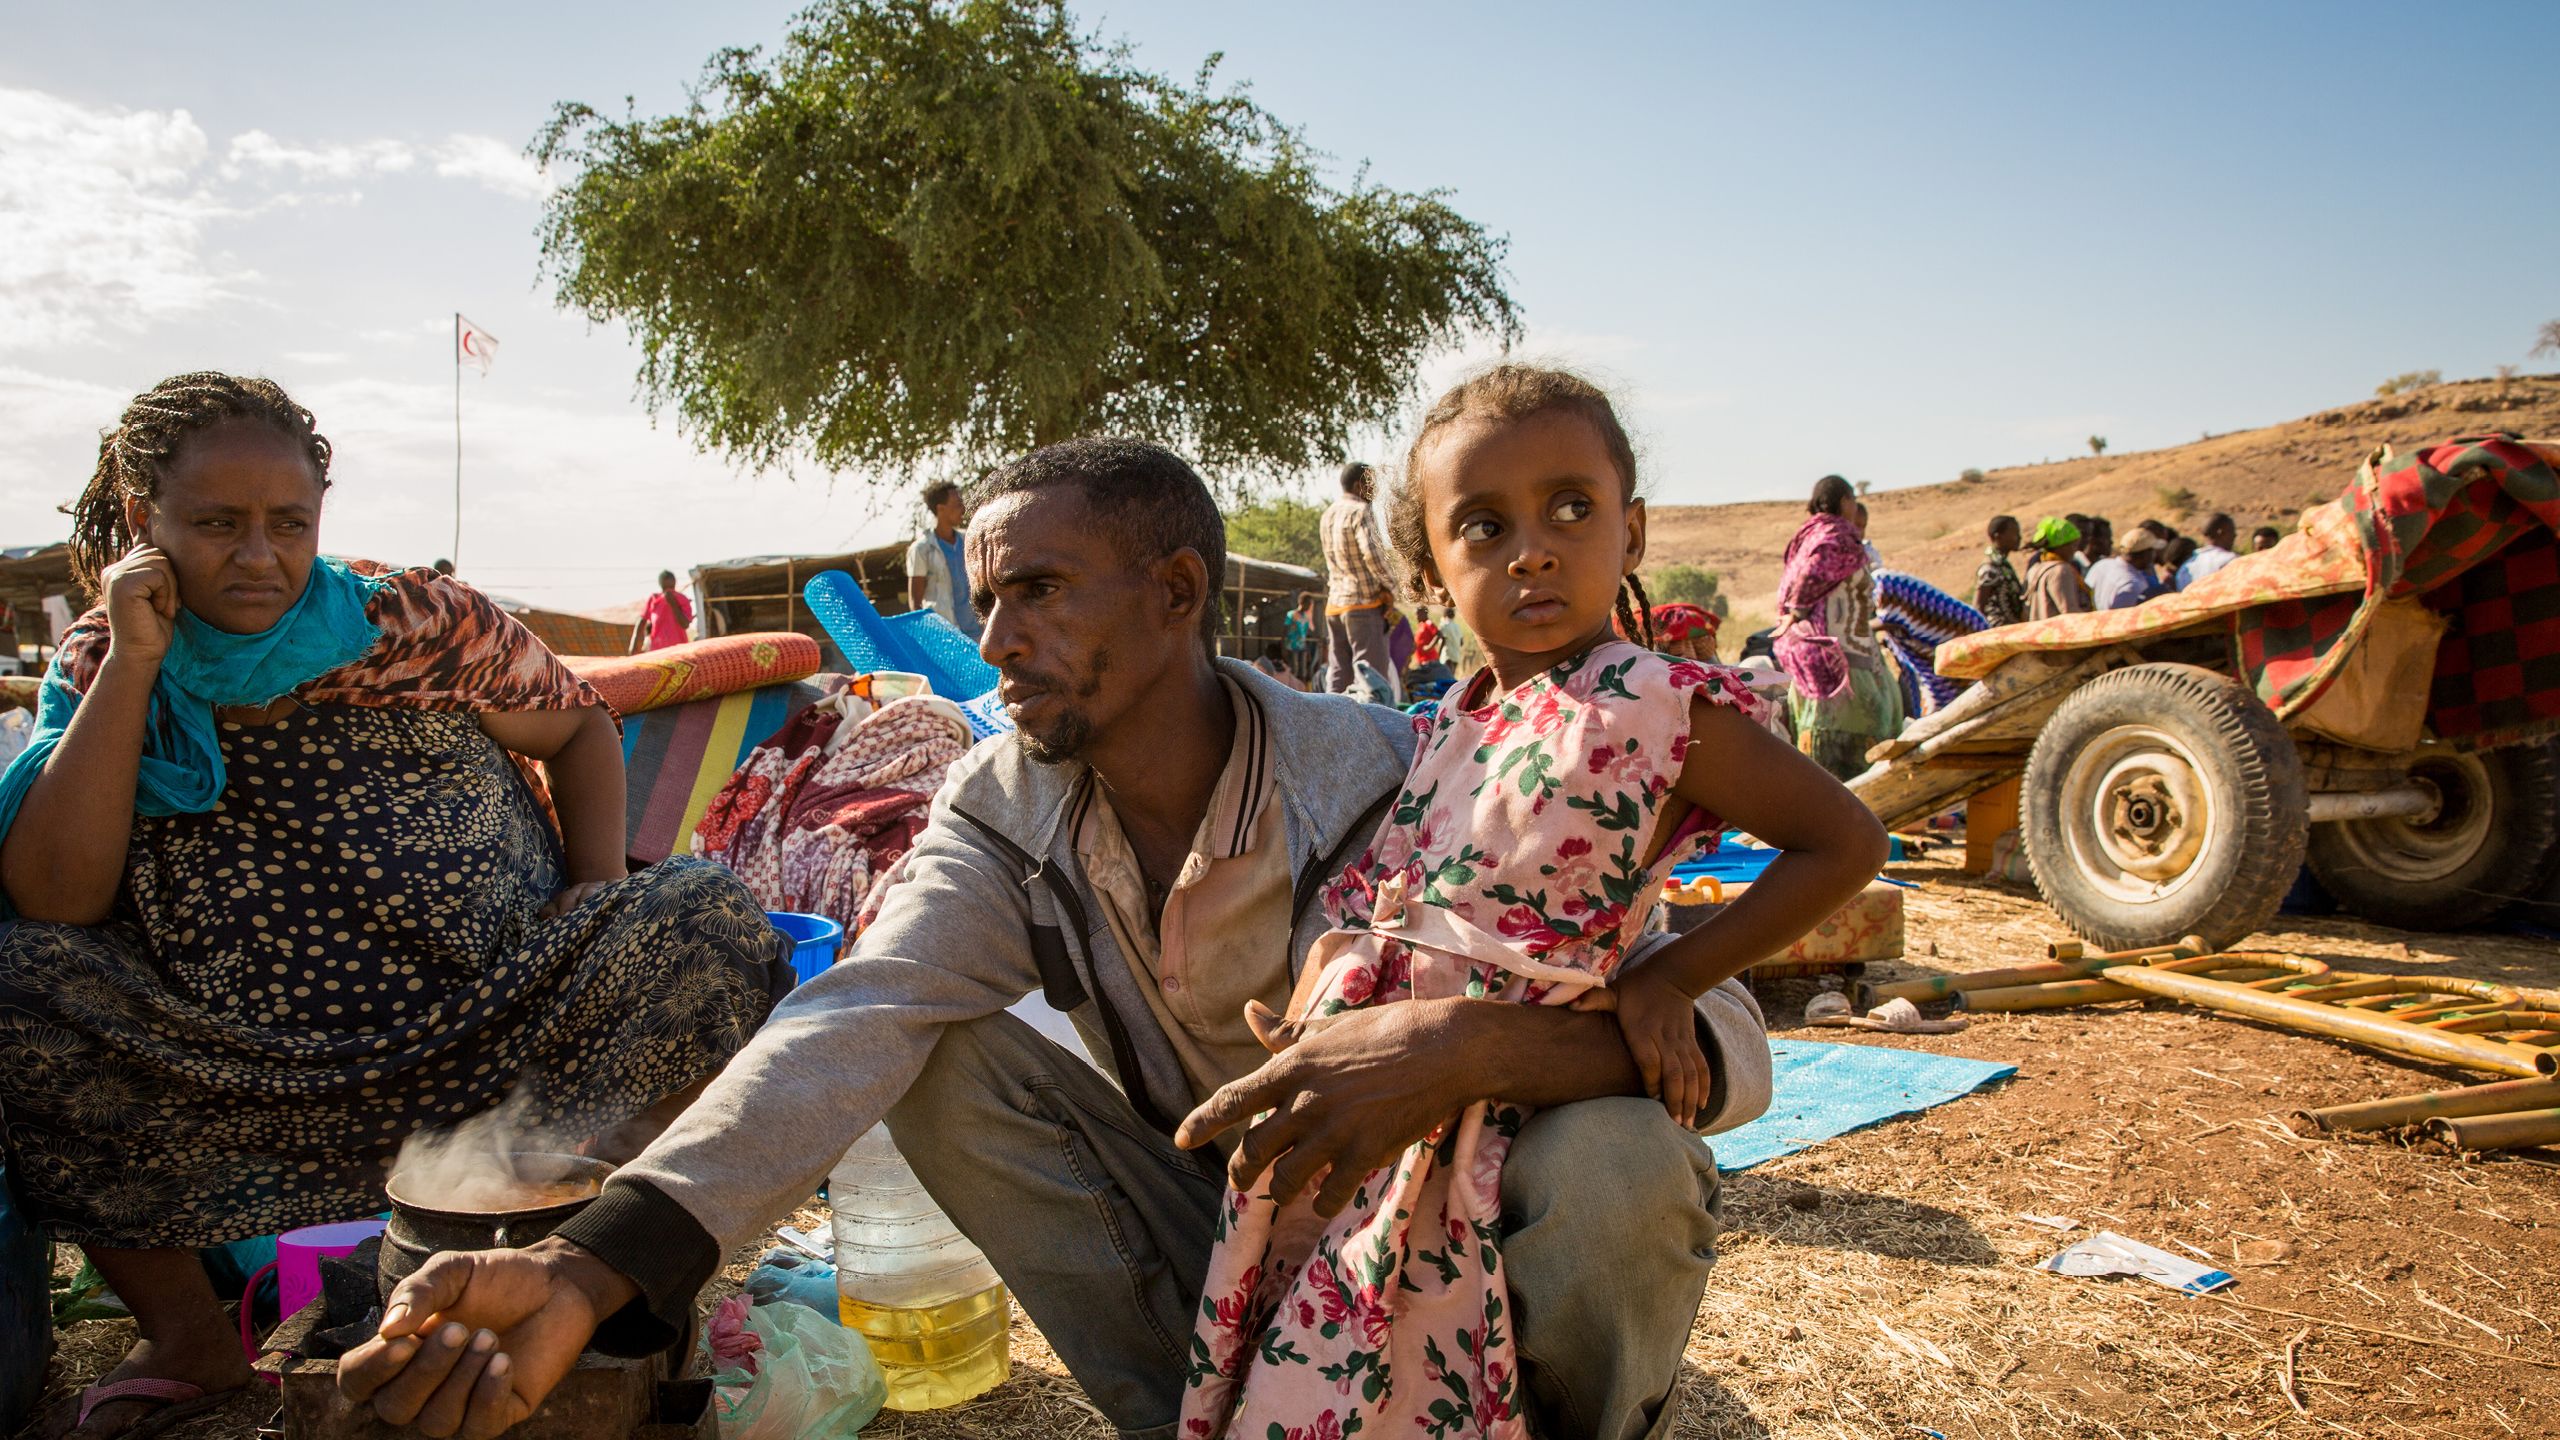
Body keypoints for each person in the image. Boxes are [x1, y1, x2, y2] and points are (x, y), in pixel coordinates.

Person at [338, 434, 1780, 1440]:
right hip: (1235, 1243)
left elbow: (1732, 1044)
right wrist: (589, 1266)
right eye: (988, 596)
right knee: (938, 1051)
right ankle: (1195, 1415)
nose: (993, 638)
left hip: (1440, 1251)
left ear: (1177, 595)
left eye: (1036, 590)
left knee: (1619, 1159)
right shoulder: (1002, 805)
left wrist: (1461, 1047)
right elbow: (856, 1014)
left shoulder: (1400, 771)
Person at [0, 373, 787, 1440]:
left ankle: (590, 1263)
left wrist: (596, 879)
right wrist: (136, 664)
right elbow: (56, 896)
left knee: (702, 913)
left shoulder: (413, 621)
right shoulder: (110, 657)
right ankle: (189, 1337)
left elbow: (577, 724)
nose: (259, 555)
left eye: (289, 524)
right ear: (146, 519)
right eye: (218, 524)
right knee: (25, 983)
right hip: (244, 1070)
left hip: (495, 1026)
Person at [1183, 368, 1882, 1437]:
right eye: (1484, 526)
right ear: (1429, 573)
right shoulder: (1459, 714)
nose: (1533, 551)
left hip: (1503, 1096)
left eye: (1570, 508)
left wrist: (1672, 974)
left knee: (1427, 1330)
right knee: (1358, 1326)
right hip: (1400, 1097)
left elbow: (1845, 841)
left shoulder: (1655, 704)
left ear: (1631, 531)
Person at [1774, 475, 1905, 780]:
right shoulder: (1838, 536)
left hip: (1819, 653)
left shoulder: (1807, 536)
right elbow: (1811, 577)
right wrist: (1798, 609)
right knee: (1857, 739)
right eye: (1853, 501)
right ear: (1845, 501)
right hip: (1840, 657)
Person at [1320, 462, 1401, 702]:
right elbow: (1373, 557)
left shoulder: (1328, 514)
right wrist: (1392, 588)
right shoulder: (1360, 511)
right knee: (1372, 681)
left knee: (1338, 675)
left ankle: (1329, 721)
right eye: (1371, 485)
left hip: (1335, 606)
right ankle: (1372, 726)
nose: (1374, 492)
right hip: (1363, 605)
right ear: (1359, 485)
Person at [904, 479, 978, 638]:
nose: (962, 509)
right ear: (941, 509)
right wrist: (926, 635)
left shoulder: (968, 539)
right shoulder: (922, 549)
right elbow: (915, 602)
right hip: (947, 635)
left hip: (979, 631)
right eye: (957, 505)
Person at [2025, 516, 2094, 619]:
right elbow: (2070, 612)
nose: (2074, 550)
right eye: (2073, 545)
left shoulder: (2035, 569)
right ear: (2062, 546)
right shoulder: (2061, 571)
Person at [2086, 528, 2165, 609]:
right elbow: (2121, 615)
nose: (2154, 556)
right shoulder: (2133, 585)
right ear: (2146, 553)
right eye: (2153, 551)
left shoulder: (2101, 565)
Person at [1974, 515, 2028, 628]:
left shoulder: (2002, 565)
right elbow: (1978, 606)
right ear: (1998, 536)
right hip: (1998, 631)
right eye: (2014, 533)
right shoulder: (1989, 568)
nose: (2019, 537)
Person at [626, 570, 693, 654]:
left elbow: (685, 624)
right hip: (658, 651)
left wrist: (673, 604)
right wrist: (633, 644)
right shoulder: (653, 599)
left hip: (678, 651)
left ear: (674, 582)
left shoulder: (681, 599)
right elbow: (641, 621)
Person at [2176, 513, 2240, 589]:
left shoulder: (2185, 568)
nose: (2235, 535)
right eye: (2232, 531)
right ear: (2221, 533)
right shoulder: (2232, 560)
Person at [1281, 594, 1315, 681]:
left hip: (1302, 646)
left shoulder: (1306, 616)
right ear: (1302, 603)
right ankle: (1292, 688)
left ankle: (1301, 688)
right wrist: (1283, 646)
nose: (1310, 606)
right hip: (1291, 646)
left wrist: (1310, 617)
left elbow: (1311, 630)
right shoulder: (1291, 614)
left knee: (1303, 671)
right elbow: (1284, 631)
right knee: (1294, 670)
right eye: (1309, 604)